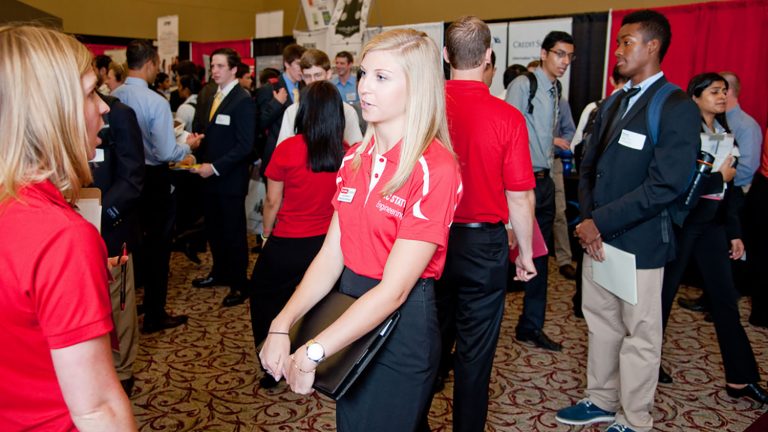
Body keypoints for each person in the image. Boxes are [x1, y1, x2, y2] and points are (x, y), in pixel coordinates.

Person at [259, 29, 462, 432]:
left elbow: (394, 291)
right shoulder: (354, 157)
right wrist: (281, 323)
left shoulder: (434, 167)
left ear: (417, 87)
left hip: (402, 324)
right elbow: (331, 256)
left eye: (382, 78)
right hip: (351, 307)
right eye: (365, 74)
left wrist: (314, 350)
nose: (365, 87)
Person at [556, 10, 700, 432]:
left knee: (639, 335)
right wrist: (586, 220)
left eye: (627, 41)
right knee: (601, 323)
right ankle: (600, 399)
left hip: (639, 241)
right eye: (618, 42)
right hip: (597, 237)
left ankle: (635, 419)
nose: (617, 50)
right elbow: (588, 165)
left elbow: (666, 185)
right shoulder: (616, 100)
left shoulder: (675, 106)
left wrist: (598, 221)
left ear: (652, 46)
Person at [0, 24, 137, 431]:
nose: (105, 107)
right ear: (53, 107)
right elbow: (97, 410)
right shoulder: (61, 237)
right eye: (91, 92)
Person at [432, 16, 536, 432]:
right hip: (483, 246)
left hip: (426, 241)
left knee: (426, 344)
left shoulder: (423, 107)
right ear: (490, 56)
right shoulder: (507, 117)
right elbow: (520, 196)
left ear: (445, 57)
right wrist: (525, 253)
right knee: (475, 356)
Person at [657, 73, 768, 402]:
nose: (723, 96)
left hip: (714, 227)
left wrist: (734, 232)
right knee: (660, 300)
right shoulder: (682, 133)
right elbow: (675, 186)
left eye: (725, 91)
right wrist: (718, 177)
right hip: (684, 224)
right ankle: (645, 363)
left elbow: (731, 191)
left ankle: (740, 377)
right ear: (695, 96)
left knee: (724, 300)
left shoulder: (725, 133)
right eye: (715, 91)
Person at [250, 80, 346, 389]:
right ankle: (308, 362)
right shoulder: (345, 153)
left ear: (304, 112)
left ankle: (271, 364)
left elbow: (272, 201)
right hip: (327, 247)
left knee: (265, 299)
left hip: (287, 244)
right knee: (317, 306)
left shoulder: (287, 149)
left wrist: (265, 233)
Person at [113, 39, 203, 333]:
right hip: (154, 179)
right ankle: (154, 312)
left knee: (132, 245)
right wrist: (187, 151)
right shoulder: (156, 101)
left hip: (121, 180)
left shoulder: (112, 97)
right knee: (159, 247)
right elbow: (165, 152)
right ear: (151, 64)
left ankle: (127, 307)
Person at [505, 30, 576, 351]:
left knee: (540, 255)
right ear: (545, 53)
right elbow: (507, 134)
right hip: (522, 183)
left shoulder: (556, 88)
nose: (565, 62)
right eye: (559, 54)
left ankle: (530, 325)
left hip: (545, 180)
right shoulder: (524, 85)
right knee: (510, 253)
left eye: (569, 56)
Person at [190, 48, 256, 308]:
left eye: (219, 66)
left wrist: (215, 167)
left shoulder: (243, 100)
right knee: (214, 229)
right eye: (212, 66)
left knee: (234, 232)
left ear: (233, 70)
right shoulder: (211, 95)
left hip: (228, 178)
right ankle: (219, 272)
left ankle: (240, 283)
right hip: (208, 177)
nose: (214, 70)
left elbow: (245, 146)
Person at [275, 49, 362, 147]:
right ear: (302, 77)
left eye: (317, 75)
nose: (313, 81)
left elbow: (355, 151)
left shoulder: (346, 111)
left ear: (328, 74)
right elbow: (282, 151)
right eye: (307, 76)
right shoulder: (292, 111)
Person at [256, 44, 306, 176]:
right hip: (276, 155)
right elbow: (259, 124)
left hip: (301, 157)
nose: (302, 69)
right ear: (286, 64)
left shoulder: (306, 88)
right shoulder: (269, 88)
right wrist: (276, 104)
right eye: (298, 64)